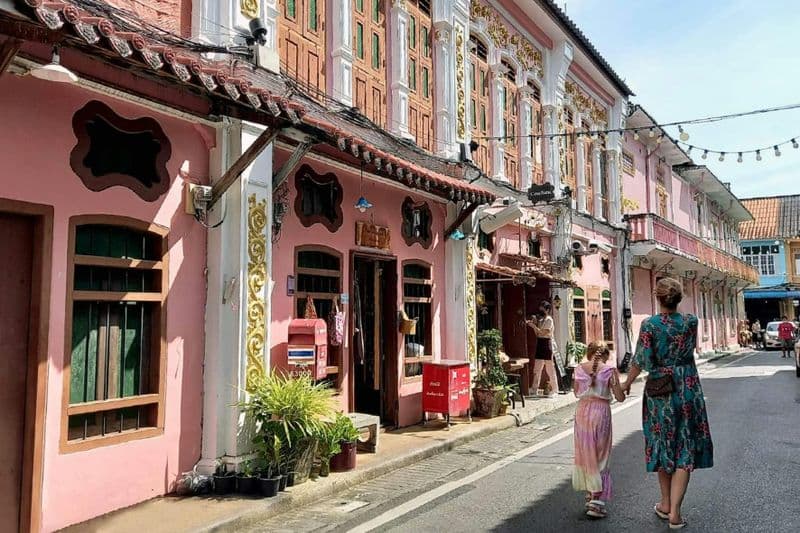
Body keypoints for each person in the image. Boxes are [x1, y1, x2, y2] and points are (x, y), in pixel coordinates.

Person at [622, 278, 713, 530]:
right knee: (684, 445)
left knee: (663, 442)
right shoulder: (691, 322)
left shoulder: (649, 325)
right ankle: (674, 512)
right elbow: (687, 346)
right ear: (679, 297)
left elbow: (641, 359)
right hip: (687, 388)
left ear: (657, 297)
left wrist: (627, 383)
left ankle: (664, 502)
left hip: (661, 391)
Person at [572, 341, 626, 519]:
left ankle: (590, 493)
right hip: (600, 413)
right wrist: (623, 388)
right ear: (605, 354)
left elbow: (575, 392)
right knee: (601, 455)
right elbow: (619, 397)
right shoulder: (609, 371)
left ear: (589, 353)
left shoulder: (579, 369)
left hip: (582, 412)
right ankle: (596, 502)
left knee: (585, 453)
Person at [527, 301, 559, 397]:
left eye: (542, 309)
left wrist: (533, 326)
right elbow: (537, 334)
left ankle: (555, 389)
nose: (540, 310)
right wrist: (534, 326)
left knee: (550, 369)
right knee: (537, 368)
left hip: (547, 344)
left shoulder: (549, 320)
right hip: (540, 343)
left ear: (547, 310)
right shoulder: (541, 321)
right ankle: (534, 388)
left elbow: (543, 333)